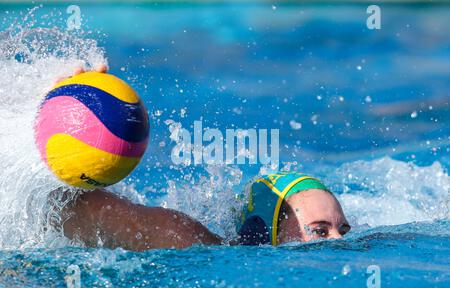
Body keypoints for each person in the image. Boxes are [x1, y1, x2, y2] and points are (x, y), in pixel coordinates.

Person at [56, 66, 351, 251]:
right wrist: (68, 120)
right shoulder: (188, 242)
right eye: (320, 231)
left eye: (343, 229)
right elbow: (80, 208)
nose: (340, 242)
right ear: (262, 233)